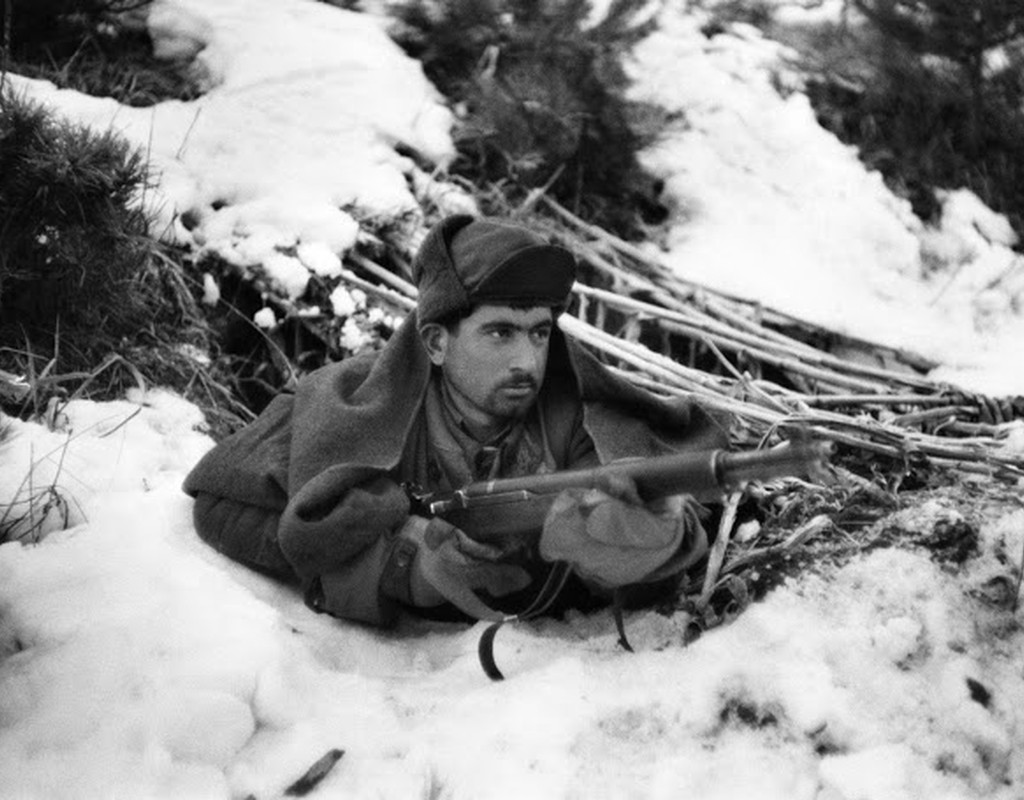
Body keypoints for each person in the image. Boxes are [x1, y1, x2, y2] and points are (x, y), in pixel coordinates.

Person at [183, 214, 732, 627]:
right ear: (437, 342)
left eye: (539, 332)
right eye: (500, 333)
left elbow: (669, 535)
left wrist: (637, 539)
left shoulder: (577, 416)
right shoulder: (353, 404)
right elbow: (217, 504)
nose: (527, 360)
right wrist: (402, 564)